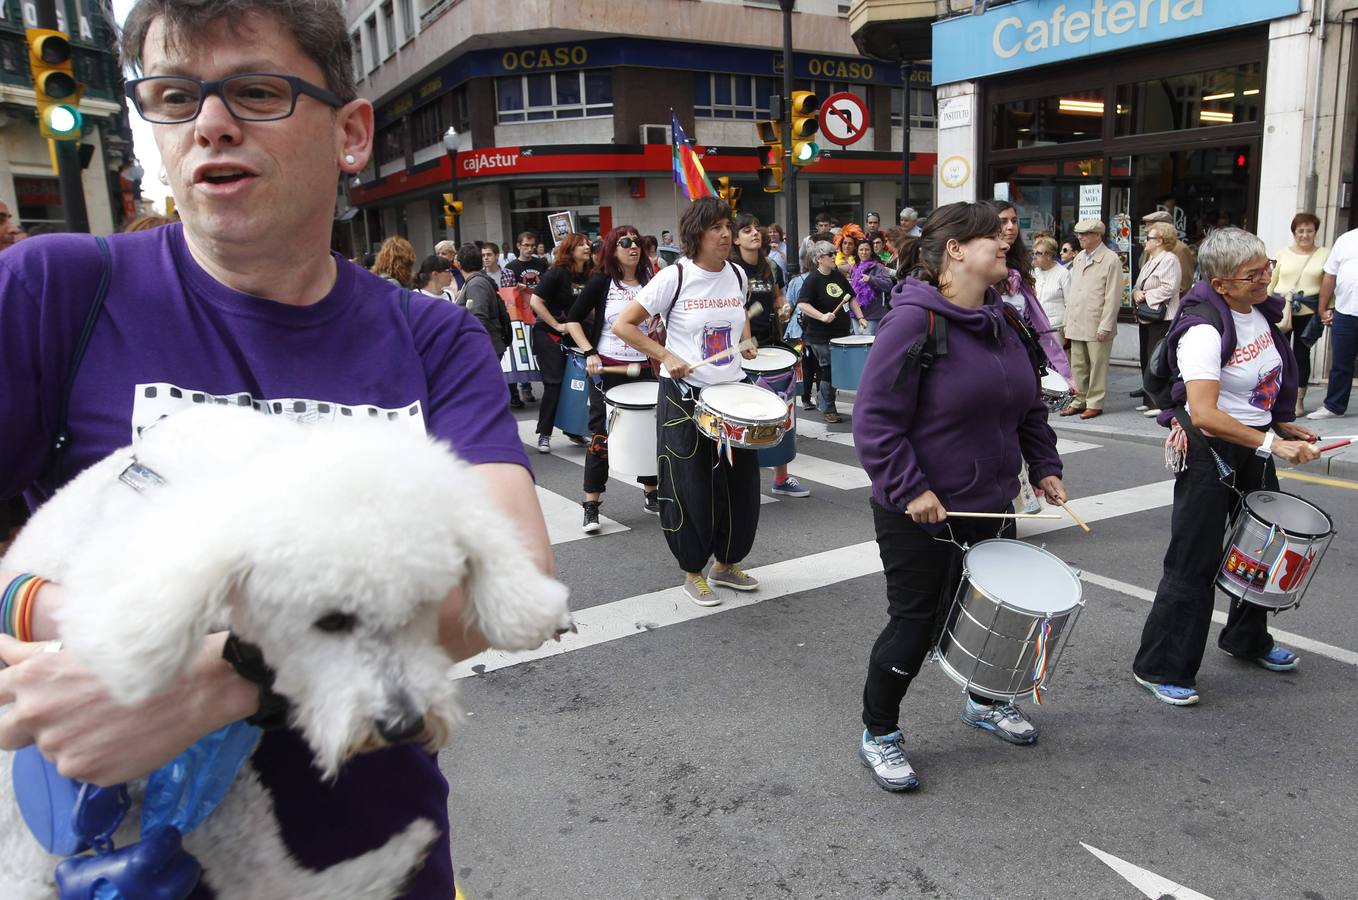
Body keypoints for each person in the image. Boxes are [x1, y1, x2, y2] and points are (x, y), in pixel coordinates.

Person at [0, 0, 555, 894]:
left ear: (351, 132)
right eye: (176, 97)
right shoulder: (51, 290)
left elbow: (511, 574)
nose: (210, 123)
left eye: (254, 91)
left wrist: (222, 676)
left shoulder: (434, 338)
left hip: (383, 865)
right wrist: (36, 608)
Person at [852, 201, 1068, 791]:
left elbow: (1025, 406)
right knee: (916, 625)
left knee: (998, 616)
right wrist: (910, 487)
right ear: (954, 250)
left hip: (991, 501)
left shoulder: (1005, 320)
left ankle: (986, 700)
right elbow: (874, 423)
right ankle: (880, 732)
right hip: (921, 510)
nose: (1005, 240)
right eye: (990, 235)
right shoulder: (912, 323)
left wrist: (1043, 467)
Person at [1133, 228, 1319, 705]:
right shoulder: (1202, 330)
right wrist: (1272, 445)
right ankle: (1160, 665)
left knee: (1262, 550)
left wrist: (1282, 425)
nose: (1266, 279)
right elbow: (1206, 413)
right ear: (1222, 284)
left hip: (1253, 442)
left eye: (1266, 268)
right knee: (1192, 562)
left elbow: (1260, 384)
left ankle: (1246, 639)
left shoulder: (1255, 310)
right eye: (1254, 274)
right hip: (1208, 449)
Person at [613, 196, 762, 607]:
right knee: (690, 486)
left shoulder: (736, 274)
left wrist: (745, 341)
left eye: (728, 226)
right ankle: (693, 571)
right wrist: (666, 356)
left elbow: (738, 314)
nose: (727, 234)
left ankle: (726, 564)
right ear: (696, 233)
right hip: (685, 397)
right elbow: (623, 324)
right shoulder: (673, 277)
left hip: (731, 395)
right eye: (716, 227)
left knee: (740, 486)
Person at [564, 227, 660, 529]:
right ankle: (591, 503)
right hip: (609, 370)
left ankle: (652, 492)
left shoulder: (652, 282)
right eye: (625, 242)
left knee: (650, 431)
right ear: (613, 249)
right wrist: (590, 352)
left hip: (644, 368)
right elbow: (572, 321)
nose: (633, 247)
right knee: (601, 435)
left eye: (638, 242)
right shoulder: (602, 282)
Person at [730, 214, 810, 499]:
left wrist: (783, 305)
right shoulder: (732, 269)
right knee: (747, 416)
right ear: (736, 238)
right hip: (747, 350)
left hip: (771, 345)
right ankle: (742, 480)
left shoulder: (769, 266)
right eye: (746, 230)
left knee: (781, 412)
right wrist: (745, 339)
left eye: (756, 229)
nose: (755, 233)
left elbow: (777, 296)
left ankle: (781, 477)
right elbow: (738, 308)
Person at [530, 233, 592, 452]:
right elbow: (535, 301)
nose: (587, 246)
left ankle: (574, 430)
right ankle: (544, 433)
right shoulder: (556, 273)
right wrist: (556, 325)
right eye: (581, 244)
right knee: (554, 383)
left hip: (575, 335)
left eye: (588, 243)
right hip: (549, 335)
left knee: (577, 385)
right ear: (570, 249)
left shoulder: (590, 274)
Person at [1265, 213, 1327, 417]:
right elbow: (1273, 279)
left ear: (1315, 232)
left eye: (1309, 230)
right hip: (1282, 307)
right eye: (1300, 231)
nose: (1305, 235)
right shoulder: (1283, 253)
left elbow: (1329, 283)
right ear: (1294, 233)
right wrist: (1264, 302)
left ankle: (1298, 401)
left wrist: (1328, 308)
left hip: (1308, 310)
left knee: (1301, 354)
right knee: (1277, 354)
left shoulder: (1325, 254)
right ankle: (1277, 396)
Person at [798, 241, 867, 424]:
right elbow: (802, 304)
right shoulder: (812, 279)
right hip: (820, 334)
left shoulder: (837, 276)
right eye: (830, 254)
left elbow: (851, 298)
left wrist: (860, 317)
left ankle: (823, 399)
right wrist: (821, 316)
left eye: (833, 253)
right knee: (829, 370)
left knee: (837, 370)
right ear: (819, 259)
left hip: (841, 332)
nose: (833, 256)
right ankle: (829, 407)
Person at [1061, 219, 1123, 419]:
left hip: (1097, 321)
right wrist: (1068, 320)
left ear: (1098, 235)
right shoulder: (1079, 258)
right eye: (1079, 234)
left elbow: (1113, 296)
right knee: (1078, 364)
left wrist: (1105, 325)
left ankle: (1095, 402)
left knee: (1097, 365)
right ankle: (1080, 399)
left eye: (1085, 234)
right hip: (1078, 320)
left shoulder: (1111, 259)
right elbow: (1074, 294)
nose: (1080, 237)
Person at [1131, 222, 1183, 417]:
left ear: (1160, 241)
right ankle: (1149, 399)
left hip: (1162, 317)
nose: (1145, 241)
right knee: (1146, 357)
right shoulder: (1150, 260)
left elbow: (1170, 287)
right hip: (1147, 316)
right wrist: (1137, 293)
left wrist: (1146, 296)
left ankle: (1161, 402)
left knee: (1158, 360)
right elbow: (1139, 285)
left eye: (1149, 238)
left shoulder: (1169, 260)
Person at [1309, 222, 1358, 420]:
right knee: (1341, 362)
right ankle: (1334, 406)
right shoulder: (1345, 239)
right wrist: (1322, 309)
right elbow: (1330, 276)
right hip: (1345, 311)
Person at [456, 243, 513, 398]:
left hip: (484, 349)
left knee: (484, 394)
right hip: (486, 347)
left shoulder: (476, 284)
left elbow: (479, 317)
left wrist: (472, 350)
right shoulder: (476, 282)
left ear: (458, 264)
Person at [850, 236, 893, 335]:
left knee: (868, 345)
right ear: (857, 251)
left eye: (867, 250)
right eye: (861, 250)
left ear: (871, 251)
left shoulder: (878, 266)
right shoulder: (854, 267)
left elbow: (888, 285)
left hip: (872, 315)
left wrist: (871, 279)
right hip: (856, 314)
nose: (864, 252)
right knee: (857, 345)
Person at [1032, 234, 1070, 336]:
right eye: (1033, 253)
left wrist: (1067, 327)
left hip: (1056, 328)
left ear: (1049, 255)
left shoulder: (1063, 273)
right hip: (1036, 326)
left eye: (1038, 253)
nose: (1034, 256)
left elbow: (1070, 304)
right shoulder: (1033, 273)